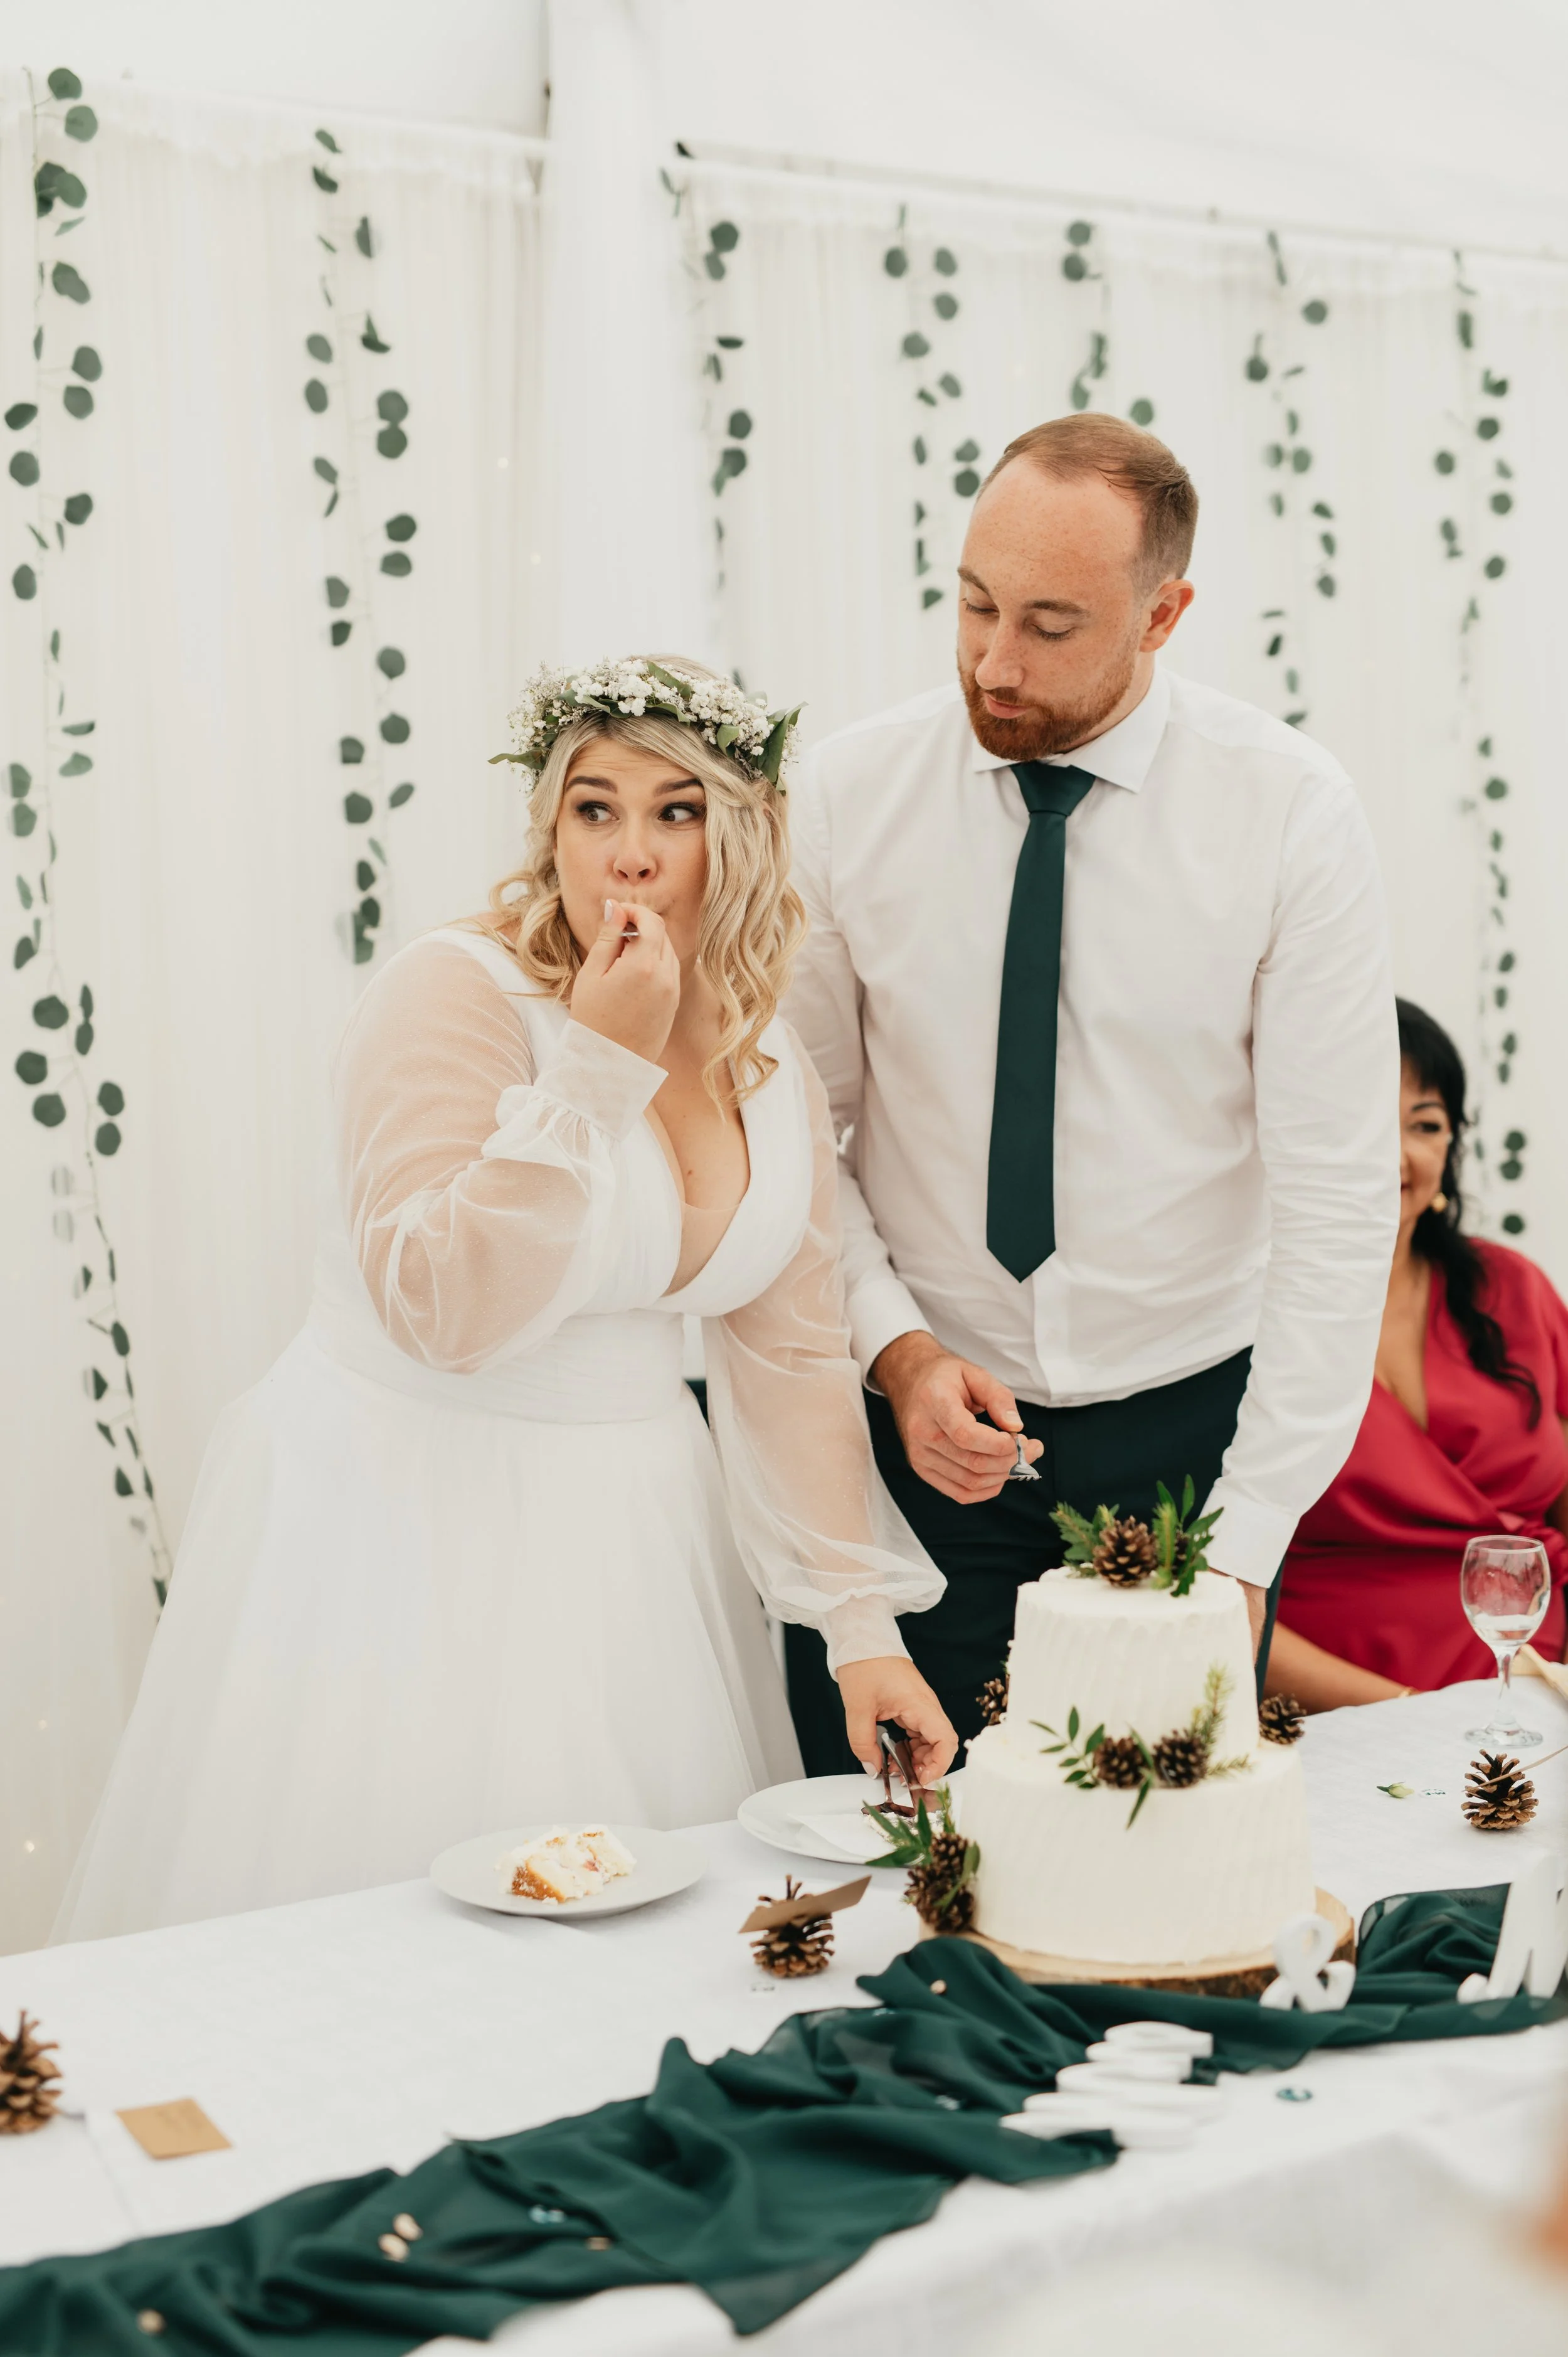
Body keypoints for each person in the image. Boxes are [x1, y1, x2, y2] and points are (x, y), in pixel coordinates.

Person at [56, 657, 954, 1940]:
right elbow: (443, 1309)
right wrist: (596, 1063)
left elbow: (793, 1352)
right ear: (549, 827)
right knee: (397, 1940)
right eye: (594, 809)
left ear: (741, 832)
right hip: (408, 1519)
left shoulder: (767, 1062)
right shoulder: (452, 993)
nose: (628, 856)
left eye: (675, 811)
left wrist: (858, 1634)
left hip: (635, 1543)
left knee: (633, 1945)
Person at [783, 413, 1400, 1769]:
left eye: (1051, 626)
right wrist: (894, 1350)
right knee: (899, 1867)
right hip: (912, 1445)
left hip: (1185, 1445)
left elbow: (1337, 1203)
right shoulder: (846, 794)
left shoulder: (1290, 813)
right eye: (972, 604)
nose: (993, 663)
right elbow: (793, 1139)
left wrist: (1246, 1545)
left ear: (1163, 613)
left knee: (1140, 1880)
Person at [1272, 999, 1568, 1705]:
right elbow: (1206, 1585)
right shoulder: (1240, 1317)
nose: (1397, 1153)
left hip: (1535, 1689)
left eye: (1425, 1125)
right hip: (1329, 1710)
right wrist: (1402, 1717)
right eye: (1365, 1118)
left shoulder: (1516, 1289)